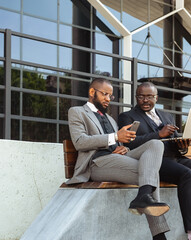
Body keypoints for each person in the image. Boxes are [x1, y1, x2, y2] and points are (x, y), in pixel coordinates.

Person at [118, 81, 191, 240]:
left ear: (156, 98)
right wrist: (159, 134)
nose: (145, 100)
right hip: (155, 162)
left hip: (177, 157)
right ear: (136, 97)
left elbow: (175, 141)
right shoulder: (127, 116)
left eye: (149, 96)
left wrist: (183, 145)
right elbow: (129, 144)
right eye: (141, 96)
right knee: (188, 175)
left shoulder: (166, 115)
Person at [67, 78, 170, 240]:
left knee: (155, 144)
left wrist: (124, 147)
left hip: (117, 159)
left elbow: (120, 143)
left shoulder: (110, 119)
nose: (108, 98)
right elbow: (80, 142)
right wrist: (115, 136)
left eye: (111, 96)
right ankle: (159, 235)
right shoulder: (77, 112)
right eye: (105, 94)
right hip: (97, 163)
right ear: (92, 92)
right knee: (150, 174)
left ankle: (144, 197)